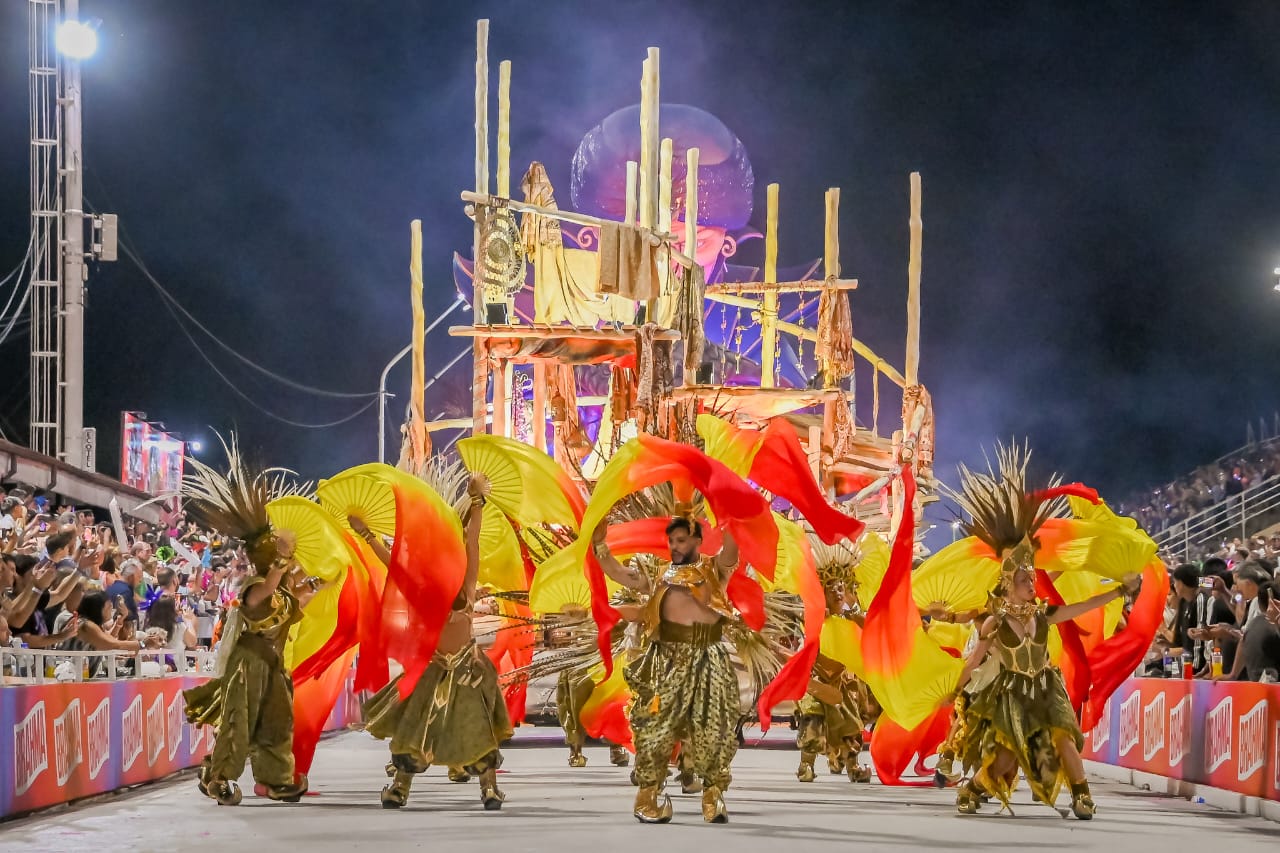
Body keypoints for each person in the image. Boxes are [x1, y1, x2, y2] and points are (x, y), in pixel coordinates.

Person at [360, 473, 514, 811]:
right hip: (431, 670)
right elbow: (392, 564)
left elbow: (472, 541)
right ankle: (400, 787)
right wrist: (367, 534)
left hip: (466, 670)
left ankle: (489, 788)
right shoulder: (419, 583)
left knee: (477, 730)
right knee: (415, 728)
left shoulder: (466, 583)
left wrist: (476, 502)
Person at [591, 509, 740, 824]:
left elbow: (732, 550)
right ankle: (647, 797)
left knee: (714, 730)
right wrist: (600, 546)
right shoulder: (659, 575)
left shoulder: (715, 571)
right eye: (671, 540)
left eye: (682, 540)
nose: (675, 546)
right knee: (655, 731)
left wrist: (731, 517)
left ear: (698, 541)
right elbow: (619, 573)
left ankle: (713, 797)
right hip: (666, 662)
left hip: (709, 660)